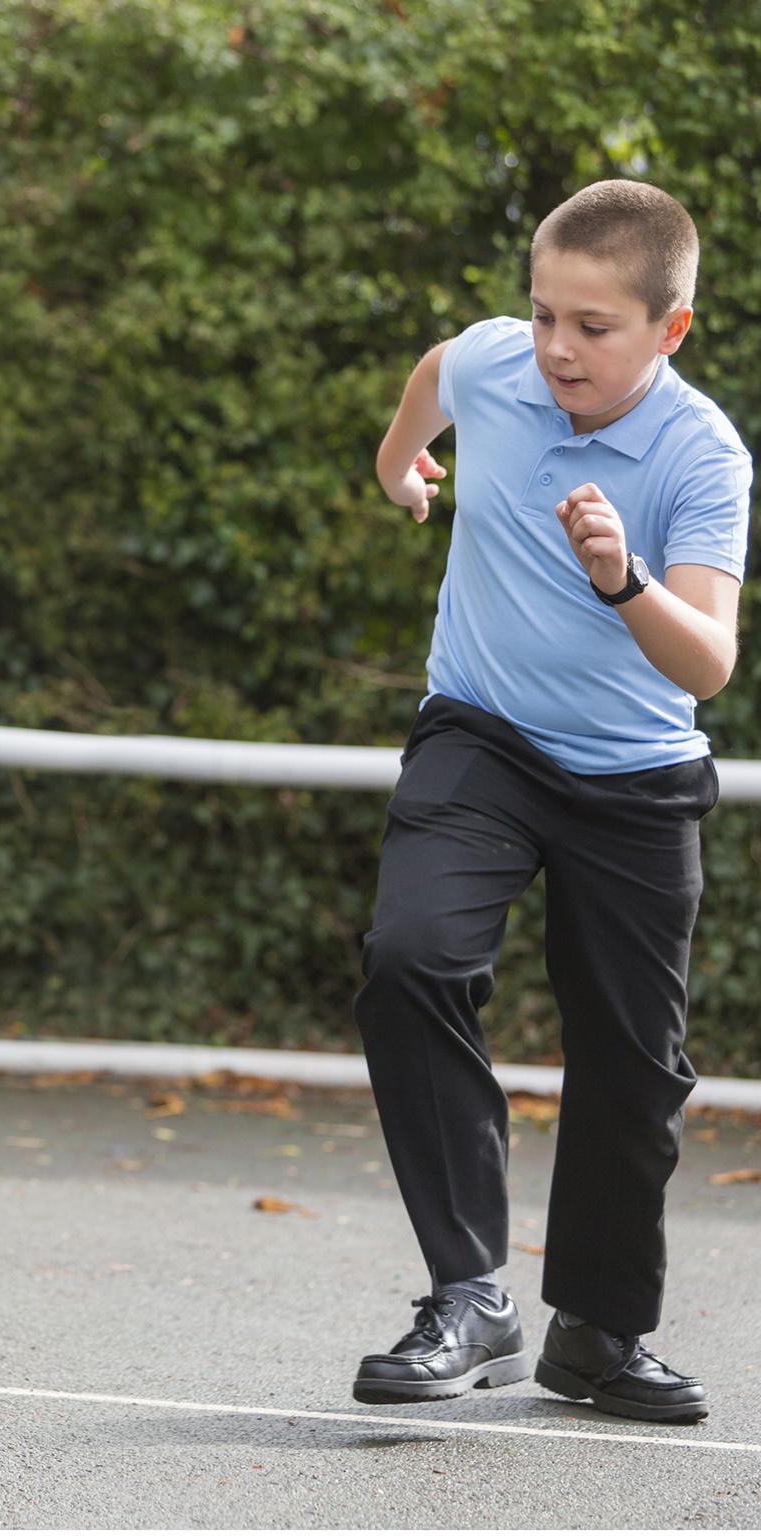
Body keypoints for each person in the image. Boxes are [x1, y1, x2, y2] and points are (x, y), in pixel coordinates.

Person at [352, 180, 748, 1424]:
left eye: (593, 326)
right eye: (542, 317)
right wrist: (395, 463)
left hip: (635, 776)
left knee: (634, 1064)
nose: (557, 349)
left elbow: (706, 665)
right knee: (407, 957)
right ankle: (468, 1291)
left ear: (667, 330)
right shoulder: (494, 365)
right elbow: (437, 368)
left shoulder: (701, 457)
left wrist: (621, 577)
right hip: (479, 736)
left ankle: (598, 1336)